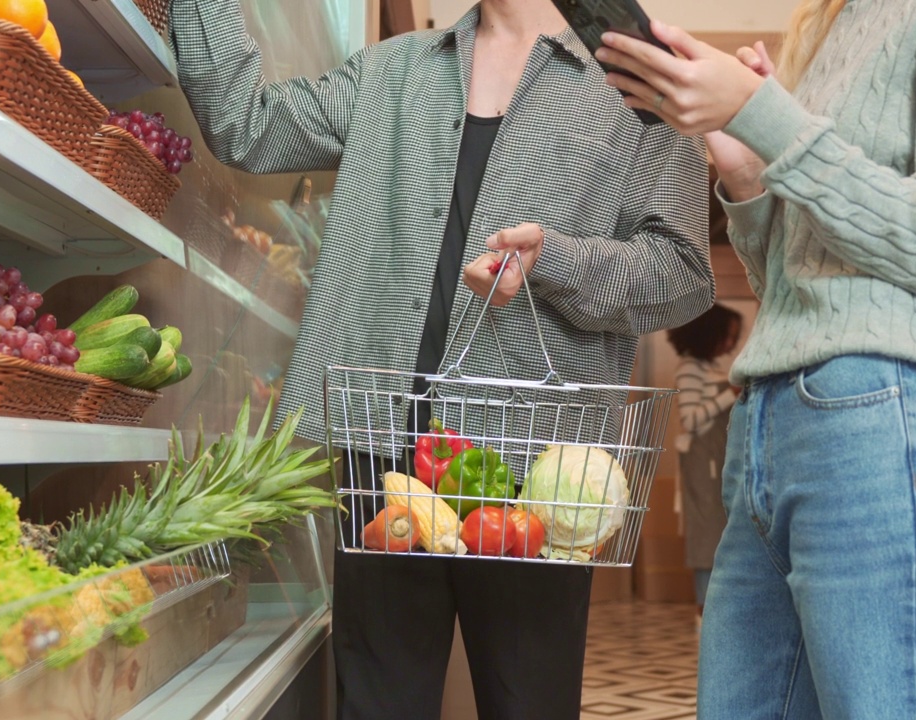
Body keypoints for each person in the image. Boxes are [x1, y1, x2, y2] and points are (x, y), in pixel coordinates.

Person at [169, 1, 715, 717]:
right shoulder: (395, 69)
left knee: (530, 704)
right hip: (382, 461)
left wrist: (556, 258)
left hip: (534, 472)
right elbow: (244, 126)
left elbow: (682, 273)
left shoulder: (637, 84)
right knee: (377, 703)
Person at [596, 0, 916, 717]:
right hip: (769, 424)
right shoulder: (831, 22)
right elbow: (792, 282)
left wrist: (768, 114)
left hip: (879, 424)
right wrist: (746, 170)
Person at [667, 303, 741, 624]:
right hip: (703, 461)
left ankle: (716, 607)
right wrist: (731, 394)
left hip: (717, 459)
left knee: (718, 531)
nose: (732, 344)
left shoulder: (708, 367)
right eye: (729, 336)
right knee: (706, 532)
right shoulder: (689, 367)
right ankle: (704, 607)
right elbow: (690, 419)